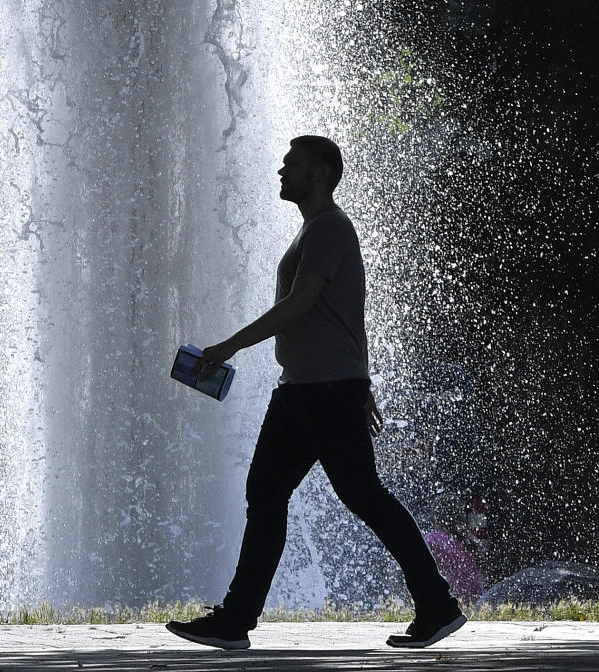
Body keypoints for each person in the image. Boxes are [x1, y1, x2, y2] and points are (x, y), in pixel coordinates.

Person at [165, 136, 465, 650]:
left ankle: (437, 604)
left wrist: (229, 345)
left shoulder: (328, 229)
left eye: (293, 164)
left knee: (361, 495)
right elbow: (352, 315)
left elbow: (302, 304)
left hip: (325, 391)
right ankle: (235, 620)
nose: (282, 170)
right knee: (267, 494)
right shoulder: (313, 231)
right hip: (305, 390)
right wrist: (363, 379)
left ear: (322, 173)